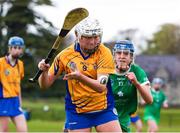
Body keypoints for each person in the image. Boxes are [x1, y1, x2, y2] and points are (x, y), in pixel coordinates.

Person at [38, 17, 122, 132]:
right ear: (78, 35)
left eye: (96, 37)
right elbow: (45, 85)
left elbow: (101, 87)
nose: (92, 42)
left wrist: (80, 77)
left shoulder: (104, 53)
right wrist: (44, 72)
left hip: (104, 109)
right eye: (87, 37)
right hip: (77, 111)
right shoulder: (64, 56)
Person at [109, 40, 153, 132]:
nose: (121, 56)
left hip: (125, 116)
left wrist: (136, 84)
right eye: (118, 53)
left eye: (126, 53)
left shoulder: (137, 71)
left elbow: (149, 100)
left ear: (131, 57)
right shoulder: (106, 69)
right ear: (114, 55)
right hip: (107, 114)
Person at [0, 36, 28, 132]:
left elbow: (18, 84)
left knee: (23, 130)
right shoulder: (1, 63)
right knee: (4, 131)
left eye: (19, 48)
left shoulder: (20, 64)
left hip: (15, 101)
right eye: (15, 47)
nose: (17, 50)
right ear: (10, 48)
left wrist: (20, 102)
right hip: (3, 101)